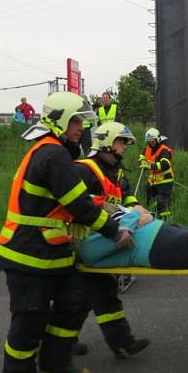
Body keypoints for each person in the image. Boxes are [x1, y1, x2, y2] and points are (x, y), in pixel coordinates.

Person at [0, 91, 133, 373]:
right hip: (28, 252)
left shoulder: (55, 153)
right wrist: (113, 230)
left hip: (50, 251)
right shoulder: (52, 154)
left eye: (82, 121)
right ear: (60, 121)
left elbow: (79, 201)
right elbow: (78, 203)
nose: (81, 127)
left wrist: (111, 210)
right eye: (76, 121)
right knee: (30, 317)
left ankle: (56, 362)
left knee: (75, 299)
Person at [72, 121, 149, 359]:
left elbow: (122, 197)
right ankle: (59, 343)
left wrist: (135, 207)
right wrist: (129, 216)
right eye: (121, 142)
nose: (125, 147)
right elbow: (83, 204)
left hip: (100, 241)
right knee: (77, 295)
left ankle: (122, 343)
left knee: (99, 291)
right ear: (106, 142)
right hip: (79, 242)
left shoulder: (114, 171)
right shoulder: (84, 169)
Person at [78, 206, 188, 270]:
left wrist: (144, 214)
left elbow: (141, 214)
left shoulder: (93, 224)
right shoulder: (85, 247)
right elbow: (124, 232)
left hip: (161, 232)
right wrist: (137, 213)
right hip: (155, 248)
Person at [139, 129, 174, 220]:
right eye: (149, 141)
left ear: (158, 139)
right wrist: (142, 161)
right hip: (152, 182)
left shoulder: (164, 150)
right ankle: (153, 220)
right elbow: (141, 157)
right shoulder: (147, 148)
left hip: (164, 181)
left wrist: (150, 166)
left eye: (153, 141)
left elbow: (165, 164)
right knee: (150, 202)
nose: (151, 143)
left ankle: (166, 221)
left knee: (163, 204)